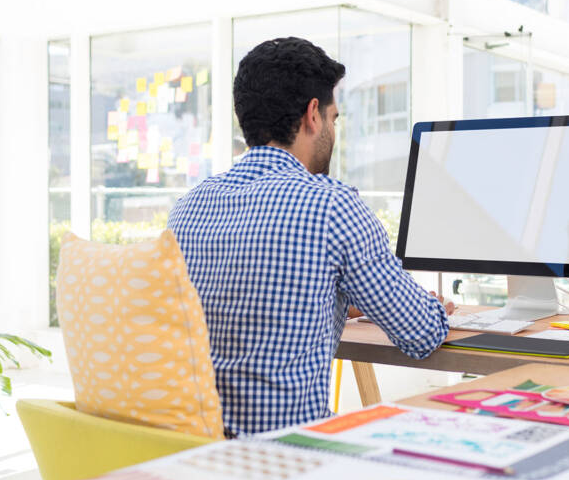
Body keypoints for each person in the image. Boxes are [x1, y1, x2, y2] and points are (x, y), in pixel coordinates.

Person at [169, 37, 452, 437]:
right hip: (288, 462)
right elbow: (419, 333)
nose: (333, 130)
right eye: (335, 119)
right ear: (313, 114)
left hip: (199, 459)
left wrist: (339, 299)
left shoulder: (187, 209)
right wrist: (436, 307)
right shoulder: (333, 206)